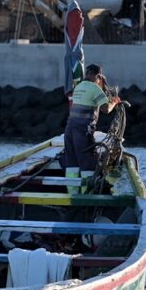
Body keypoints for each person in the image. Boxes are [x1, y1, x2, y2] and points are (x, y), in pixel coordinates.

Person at [63, 63, 121, 193]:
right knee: (87, 161)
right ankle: (85, 194)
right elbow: (106, 109)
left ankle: (72, 193)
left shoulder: (78, 87)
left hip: (69, 129)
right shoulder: (95, 88)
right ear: (98, 76)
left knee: (72, 162)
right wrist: (114, 101)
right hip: (83, 131)